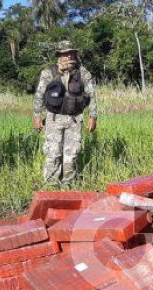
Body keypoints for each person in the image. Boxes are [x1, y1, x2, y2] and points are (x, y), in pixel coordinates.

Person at [32, 41, 97, 186]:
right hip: (54, 119)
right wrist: (37, 116)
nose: (68, 56)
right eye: (65, 54)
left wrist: (93, 116)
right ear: (59, 55)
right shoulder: (48, 72)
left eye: (71, 53)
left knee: (71, 155)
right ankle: (51, 186)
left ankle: (69, 185)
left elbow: (91, 95)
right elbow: (39, 95)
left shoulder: (83, 72)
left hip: (75, 119)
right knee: (52, 154)